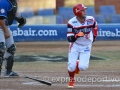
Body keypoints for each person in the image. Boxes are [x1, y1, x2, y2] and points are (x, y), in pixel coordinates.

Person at [67, 3, 98, 88]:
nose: (85, 11)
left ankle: (78, 63)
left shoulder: (91, 19)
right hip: (75, 44)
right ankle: (71, 81)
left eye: (85, 10)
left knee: (83, 67)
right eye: (83, 10)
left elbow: (95, 26)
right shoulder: (71, 22)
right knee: (71, 66)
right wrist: (77, 35)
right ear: (77, 12)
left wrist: (94, 36)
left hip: (86, 45)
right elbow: (69, 38)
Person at [0, 0, 26, 77]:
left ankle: (8, 72)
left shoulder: (13, 3)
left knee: (11, 48)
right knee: (1, 48)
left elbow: (9, 15)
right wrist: (6, 31)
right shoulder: (4, 2)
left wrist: (18, 19)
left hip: (5, 26)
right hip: (1, 27)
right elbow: (0, 18)